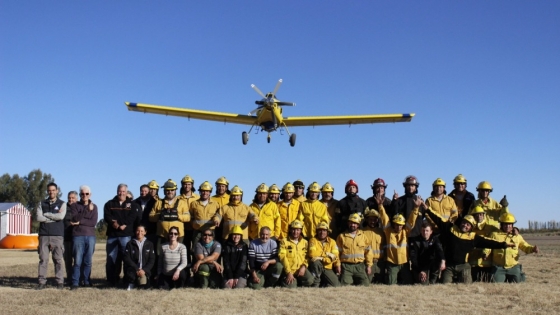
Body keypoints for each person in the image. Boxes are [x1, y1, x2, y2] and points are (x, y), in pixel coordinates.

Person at [424, 204, 514, 284]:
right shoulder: (451, 229)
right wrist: (427, 209)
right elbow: (438, 219)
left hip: (464, 266)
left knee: (467, 286)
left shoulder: (473, 237)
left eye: (468, 225)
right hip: (449, 266)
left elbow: (489, 242)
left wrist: (504, 245)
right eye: (464, 223)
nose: (465, 225)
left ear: (471, 227)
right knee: (445, 285)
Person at [379, 195, 420, 285]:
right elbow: (384, 218)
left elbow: (411, 221)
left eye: (401, 224)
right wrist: (380, 206)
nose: (399, 226)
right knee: (390, 284)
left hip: (404, 263)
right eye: (397, 224)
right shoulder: (388, 231)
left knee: (408, 283)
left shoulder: (406, 231)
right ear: (393, 224)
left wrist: (416, 208)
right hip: (392, 263)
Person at [486, 213, 539, 283]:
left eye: (510, 224)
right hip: (499, 267)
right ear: (501, 225)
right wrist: (485, 253)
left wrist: (532, 249)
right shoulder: (494, 235)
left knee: (518, 282)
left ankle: (520, 275)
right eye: (505, 224)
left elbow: (525, 246)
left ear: (512, 225)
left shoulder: (517, 236)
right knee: (495, 283)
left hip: (513, 266)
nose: (508, 226)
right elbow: (487, 246)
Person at [104, 183, 139, 287]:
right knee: (111, 258)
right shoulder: (109, 204)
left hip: (126, 235)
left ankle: (127, 280)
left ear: (126, 192)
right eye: (120, 191)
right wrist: (113, 222)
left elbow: (132, 217)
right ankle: (112, 280)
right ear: (117, 191)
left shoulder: (132, 205)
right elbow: (107, 216)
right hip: (112, 235)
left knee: (127, 259)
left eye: (123, 191)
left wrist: (123, 224)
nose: (121, 193)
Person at [36, 182, 67, 290]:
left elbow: (61, 217)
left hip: (57, 234)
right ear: (47, 191)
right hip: (44, 234)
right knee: (43, 259)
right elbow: (39, 218)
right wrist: (54, 217)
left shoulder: (62, 203)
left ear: (57, 191)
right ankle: (41, 281)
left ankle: (59, 282)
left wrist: (48, 215)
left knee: (58, 259)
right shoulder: (42, 203)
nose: (51, 192)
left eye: (53, 190)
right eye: (49, 190)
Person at [69, 185, 98, 290]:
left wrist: (79, 222)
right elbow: (74, 217)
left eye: (86, 194)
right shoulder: (75, 206)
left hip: (90, 236)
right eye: (82, 194)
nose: (84, 195)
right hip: (78, 236)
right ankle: (75, 282)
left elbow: (93, 222)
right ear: (80, 194)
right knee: (77, 260)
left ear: (90, 194)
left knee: (88, 261)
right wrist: (86, 211)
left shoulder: (94, 207)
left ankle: (86, 281)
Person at [335, 213, 373, 286]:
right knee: (345, 286)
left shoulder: (363, 237)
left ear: (358, 225)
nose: (352, 225)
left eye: (355, 223)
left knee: (365, 285)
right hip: (346, 267)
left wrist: (369, 265)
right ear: (348, 223)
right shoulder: (341, 236)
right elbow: (337, 253)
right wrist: (338, 265)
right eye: (351, 222)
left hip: (360, 266)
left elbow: (368, 252)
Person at [149, 179, 190, 245]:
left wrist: (177, 215)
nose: (170, 192)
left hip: (177, 236)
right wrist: (160, 215)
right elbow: (151, 217)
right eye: (167, 190)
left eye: (172, 190)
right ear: (164, 191)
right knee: (160, 254)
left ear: (175, 191)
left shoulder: (182, 203)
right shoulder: (158, 203)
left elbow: (188, 217)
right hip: (162, 235)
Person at [278, 220, 314, 288]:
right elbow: (282, 257)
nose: (295, 232)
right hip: (289, 270)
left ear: (301, 231)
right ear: (290, 230)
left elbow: (307, 257)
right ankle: (285, 280)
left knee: (310, 280)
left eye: (298, 230)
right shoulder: (284, 241)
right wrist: (288, 272)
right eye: (293, 229)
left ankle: (297, 281)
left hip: (300, 269)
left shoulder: (305, 242)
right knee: (291, 287)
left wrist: (304, 266)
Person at [468, 206, 499, 282]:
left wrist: (515, 229)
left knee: (487, 282)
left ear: (484, 215)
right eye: (476, 215)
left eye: (481, 214)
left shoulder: (490, 227)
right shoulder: (469, 227)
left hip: (487, 263)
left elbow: (502, 232)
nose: (479, 216)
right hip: (473, 262)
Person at [307, 222, 340, 287]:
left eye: (324, 230)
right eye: (320, 230)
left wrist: (322, 258)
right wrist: (327, 254)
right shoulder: (313, 240)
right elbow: (312, 254)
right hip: (315, 267)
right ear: (317, 231)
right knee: (316, 262)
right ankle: (316, 283)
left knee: (336, 285)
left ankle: (325, 284)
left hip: (327, 267)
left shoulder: (332, 241)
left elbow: (335, 256)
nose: (322, 232)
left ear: (327, 232)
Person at [123, 225, 156, 290]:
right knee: (131, 274)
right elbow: (127, 258)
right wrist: (137, 269)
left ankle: (141, 283)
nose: (139, 233)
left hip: (144, 270)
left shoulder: (150, 244)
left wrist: (144, 270)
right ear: (135, 232)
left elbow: (152, 260)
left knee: (143, 287)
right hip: (133, 269)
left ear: (145, 232)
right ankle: (131, 283)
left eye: (142, 231)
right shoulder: (130, 244)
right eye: (138, 231)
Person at [189, 181, 221, 246]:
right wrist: (194, 225)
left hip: (210, 232)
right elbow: (191, 216)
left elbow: (218, 214)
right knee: (196, 250)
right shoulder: (194, 204)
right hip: (198, 232)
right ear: (200, 192)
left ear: (210, 192)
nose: (205, 193)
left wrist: (216, 219)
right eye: (203, 191)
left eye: (207, 191)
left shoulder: (215, 204)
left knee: (210, 250)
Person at [177, 175, 199, 259]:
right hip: (183, 228)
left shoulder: (197, 197)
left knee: (195, 249)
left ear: (192, 185)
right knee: (184, 249)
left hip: (194, 228)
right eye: (185, 184)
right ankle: (186, 269)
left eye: (189, 184)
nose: (187, 186)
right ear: (182, 185)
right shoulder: (178, 198)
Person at [362, 207, 386, 284]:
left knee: (382, 282)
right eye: (370, 219)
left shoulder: (382, 232)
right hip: (368, 263)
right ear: (366, 220)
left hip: (380, 263)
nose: (373, 222)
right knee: (367, 283)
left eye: (375, 219)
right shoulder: (362, 232)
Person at [63, 191, 78, 286]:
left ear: (76, 199)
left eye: (73, 198)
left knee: (77, 260)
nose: (70, 199)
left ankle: (77, 278)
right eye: (69, 197)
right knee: (67, 260)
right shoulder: (63, 208)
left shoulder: (80, 208)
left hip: (77, 237)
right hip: (66, 237)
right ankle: (69, 278)